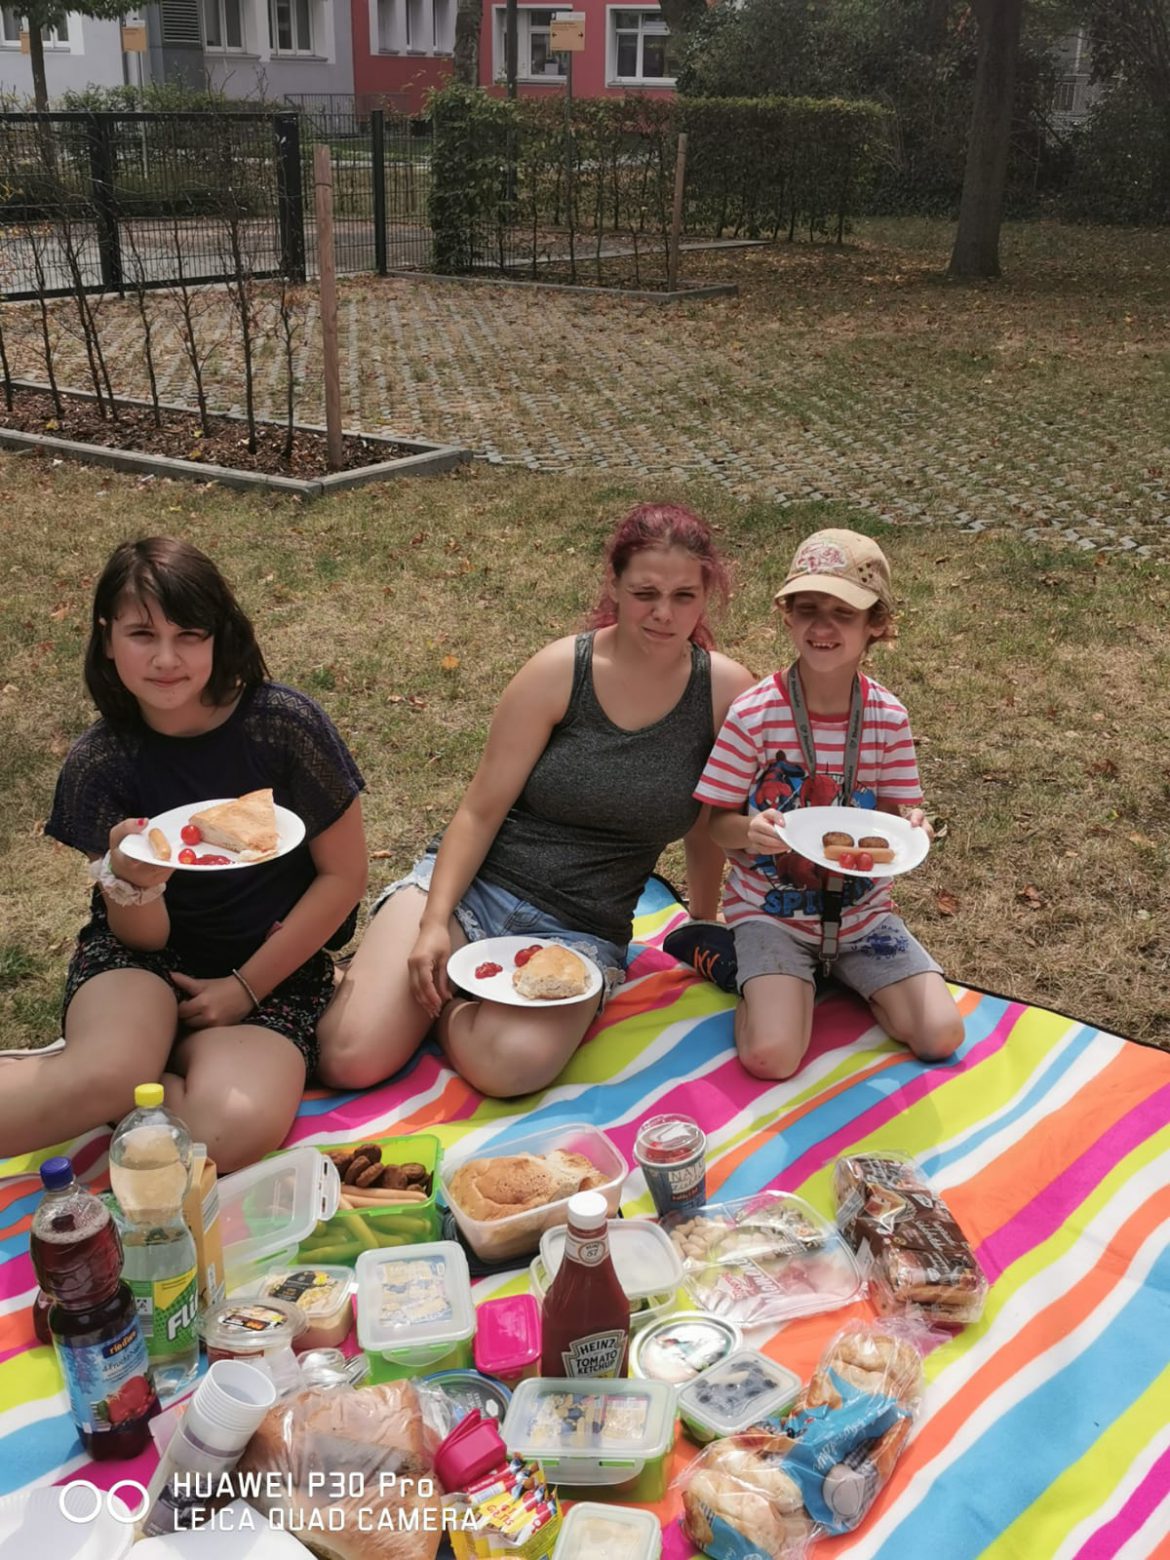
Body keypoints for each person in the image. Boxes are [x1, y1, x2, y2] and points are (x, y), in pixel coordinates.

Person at [317, 503, 754, 1098]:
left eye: (684, 596)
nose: (663, 613)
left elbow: (709, 822)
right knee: (349, 1059)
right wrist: (434, 922)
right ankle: (419, 986)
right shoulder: (559, 672)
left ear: (707, 597)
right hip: (477, 888)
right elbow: (479, 810)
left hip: (580, 928)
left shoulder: (725, 692)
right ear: (615, 586)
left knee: (511, 1067)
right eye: (645, 592)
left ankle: (441, 1003)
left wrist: (702, 918)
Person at [0, 538, 367, 1173]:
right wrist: (132, 884)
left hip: (273, 967)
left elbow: (345, 876)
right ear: (107, 638)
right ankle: (117, 1067)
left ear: (220, 637)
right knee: (108, 1074)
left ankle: (128, 1070)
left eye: (189, 634)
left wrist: (244, 988)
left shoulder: (283, 727)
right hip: (141, 965)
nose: (166, 659)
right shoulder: (102, 761)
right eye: (142, 633)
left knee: (227, 1132)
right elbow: (141, 941)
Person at [668, 528, 963, 1080]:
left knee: (940, 1035)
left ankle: (833, 978)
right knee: (770, 1057)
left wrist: (914, 825)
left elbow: (898, 817)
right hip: (772, 917)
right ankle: (737, 962)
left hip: (865, 918)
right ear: (787, 616)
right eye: (807, 610)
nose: (822, 628)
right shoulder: (755, 713)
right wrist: (750, 830)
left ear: (875, 623)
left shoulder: (888, 719)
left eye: (843, 614)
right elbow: (716, 824)